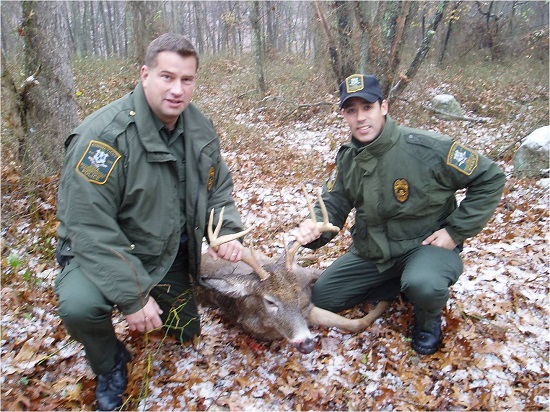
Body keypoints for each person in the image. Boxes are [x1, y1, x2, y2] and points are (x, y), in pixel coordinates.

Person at [55, 33, 245, 410]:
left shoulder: (199, 129)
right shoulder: (105, 138)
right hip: (100, 252)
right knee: (79, 307)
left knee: (185, 333)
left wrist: (224, 230)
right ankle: (110, 362)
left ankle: (158, 299)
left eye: (186, 80)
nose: (177, 90)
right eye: (166, 77)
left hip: (164, 252)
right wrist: (133, 295)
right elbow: (88, 226)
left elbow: (217, 186)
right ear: (145, 75)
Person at [295, 74, 505, 356]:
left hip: (424, 246)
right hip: (373, 252)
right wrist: (315, 230)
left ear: (384, 107)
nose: (360, 118)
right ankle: (398, 283)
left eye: (367, 107)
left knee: (424, 284)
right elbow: (334, 204)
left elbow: (490, 177)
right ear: (344, 115)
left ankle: (427, 321)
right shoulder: (348, 158)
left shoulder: (427, 148)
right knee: (322, 297)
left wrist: (455, 231)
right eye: (351, 110)